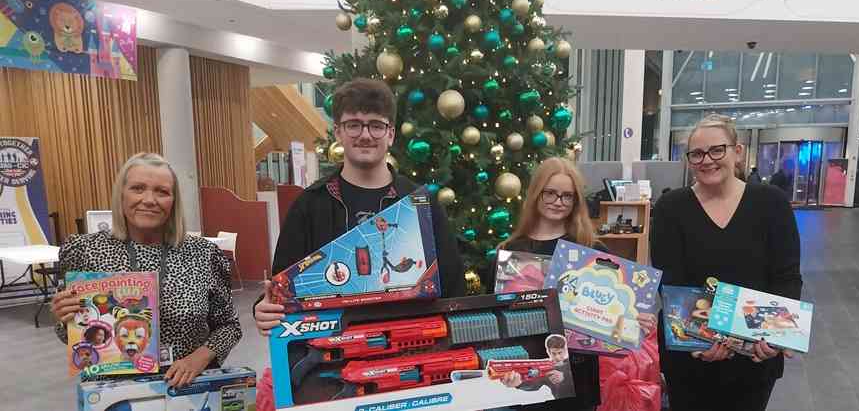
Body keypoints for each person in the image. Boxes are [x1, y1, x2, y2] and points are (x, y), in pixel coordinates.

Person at [252, 78, 466, 410]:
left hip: (410, 360)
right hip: (333, 363)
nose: (365, 135)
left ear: (391, 134)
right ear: (337, 131)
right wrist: (263, 309)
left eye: (376, 126)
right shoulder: (311, 204)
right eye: (354, 124)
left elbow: (452, 285)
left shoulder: (419, 203)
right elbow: (283, 285)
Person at [50, 153, 242, 387]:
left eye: (162, 191)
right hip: (114, 392)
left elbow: (230, 326)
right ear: (121, 195)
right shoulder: (86, 250)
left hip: (188, 390)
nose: (149, 199)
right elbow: (72, 337)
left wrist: (198, 359)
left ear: (174, 201)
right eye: (138, 188)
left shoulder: (203, 253)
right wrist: (64, 320)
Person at [651, 114, 802, 411]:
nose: (706, 160)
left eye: (717, 150)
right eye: (696, 153)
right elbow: (671, 283)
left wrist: (775, 337)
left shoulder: (772, 203)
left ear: (738, 151)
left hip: (754, 356)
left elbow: (786, 277)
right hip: (690, 355)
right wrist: (698, 344)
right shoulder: (671, 208)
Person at [495, 157, 657, 411]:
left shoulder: (591, 250)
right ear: (536, 194)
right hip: (527, 374)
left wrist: (636, 321)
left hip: (579, 377)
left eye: (567, 196)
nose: (558, 202)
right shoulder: (511, 252)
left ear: (575, 202)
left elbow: (617, 311)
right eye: (550, 193)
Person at [499, 334, 575, 399]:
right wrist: (519, 383)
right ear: (548, 351)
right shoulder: (544, 368)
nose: (557, 357)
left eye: (560, 353)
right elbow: (533, 382)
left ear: (565, 350)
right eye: (554, 353)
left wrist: (565, 376)